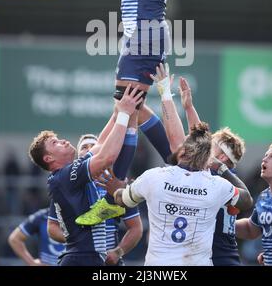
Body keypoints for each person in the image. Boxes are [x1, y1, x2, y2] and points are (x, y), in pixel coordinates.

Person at [46, 0, 174, 170]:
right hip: (141, 35)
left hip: (144, 33)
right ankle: (174, 160)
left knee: (125, 109)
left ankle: (115, 179)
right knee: (130, 109)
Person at [98, 68, 252, 266]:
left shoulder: (156, 177)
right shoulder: (218, 184)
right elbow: (195, 141)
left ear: (219, 156)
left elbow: (178, 140)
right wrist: (186, 107)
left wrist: (148, 96)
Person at [29, 86, 142, 266]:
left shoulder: (75, 172)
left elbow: (103, 143)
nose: (64, 140)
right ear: (49, 158)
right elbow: (107, 156)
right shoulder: (64, 176)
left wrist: (120, 109)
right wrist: (124, 114)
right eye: (55, 143)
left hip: (93, 258)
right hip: (82, 258)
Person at [179, 74, 250, 266]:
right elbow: (198, 137)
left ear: (223, 157)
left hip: (218, 256)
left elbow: (197, 138)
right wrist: (188, 107)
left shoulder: (222, 178)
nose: (206, 146)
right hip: (216, 254)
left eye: (213, 145)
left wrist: (189, 109)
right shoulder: (222, 175)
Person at [78, 134, 143, 265]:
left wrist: (118, 252)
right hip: (78, 259)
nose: (90, 150)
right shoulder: (67, 183)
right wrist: (76, 241)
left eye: (94, 147)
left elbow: (136, 228)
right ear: (78, 155)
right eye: (84, 147)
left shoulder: (116, 184)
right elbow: (53, 228)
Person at [236, 143, 272, 266]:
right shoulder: (264, 196)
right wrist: (223, 222)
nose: (264, 159)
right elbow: (251, 229)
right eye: (265, 156)